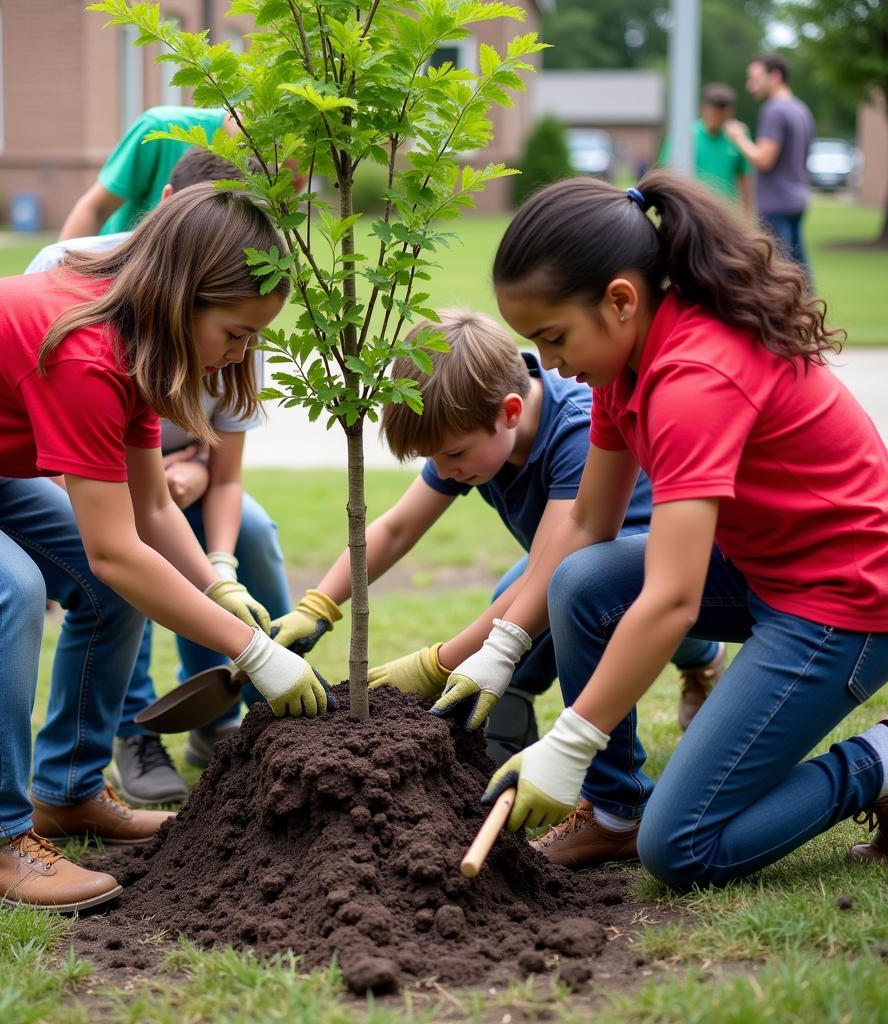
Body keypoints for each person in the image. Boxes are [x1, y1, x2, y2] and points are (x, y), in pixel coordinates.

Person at [0, 184, 332, 912]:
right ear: (185, 299)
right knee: (5, 587)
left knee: (100, 583)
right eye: (237, 333)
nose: (242, 354)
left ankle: (68, 792)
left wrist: (216, 580)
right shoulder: (86, 350)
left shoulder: (143, 337)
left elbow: (147, 509)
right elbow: (118, 548)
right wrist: (254, 651)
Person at [458, 170, 888, 888]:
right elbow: (590, 523)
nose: (550, 364)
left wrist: (571, 739)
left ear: (620, 300)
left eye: (554, 337)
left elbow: (671, 602)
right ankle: (614, 811)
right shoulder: (620, 369)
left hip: (842, 600)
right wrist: (501, 644)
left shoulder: (693, 379)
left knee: (684, 846)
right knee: (582, 584)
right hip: (762, 568)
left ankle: (877, 762)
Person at [270, 310, 726, 807]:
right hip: (577, 567)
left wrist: (438, 664)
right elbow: (398, 528)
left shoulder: (574, 431)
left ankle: (622, 781)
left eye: (453, 456)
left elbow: (551, 566)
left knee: (562, 597)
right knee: (513, 607)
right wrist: (319, 605)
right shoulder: (466, 429)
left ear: (510, 412)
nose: (444, 470)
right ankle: (508, 750)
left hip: (659, 562)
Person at [28, 147, 291, 807]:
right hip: (69, 471)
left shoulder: (239, 310)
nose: (240, 354)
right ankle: (131, 729)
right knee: (118, 564)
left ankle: (230, 716)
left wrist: (220, 566)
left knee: (251, 533)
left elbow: (223, 473)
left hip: (168, 479)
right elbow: (60, 438)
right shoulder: (97, 293)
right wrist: (143, 488)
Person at [58, 105, 231, 240]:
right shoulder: (163, 128)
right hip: (117, 270)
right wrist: (62, 279)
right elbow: (96, 209)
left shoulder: (257, 161)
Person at [725, 55, 815, 280]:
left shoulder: (774, 110)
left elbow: (764, 159)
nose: (750, 85)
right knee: (798, 272)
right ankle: (811, 314)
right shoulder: (801, 109)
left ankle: (792, 315)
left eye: (754, 78)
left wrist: (738, 137)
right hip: (797, 200)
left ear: (775, 76)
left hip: (776, 204)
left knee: (779, 276)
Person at [658, 83, 752, 213]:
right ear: (704, 108)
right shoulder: (685, 135)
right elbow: (666, 170)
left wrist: (746, 214)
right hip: (693, 210)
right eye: (713, 110)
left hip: (727, 213)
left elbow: (744, 177)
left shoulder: (738, 136)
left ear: (729, 112)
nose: (717, 116)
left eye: (722, 112)